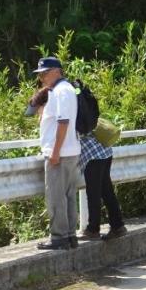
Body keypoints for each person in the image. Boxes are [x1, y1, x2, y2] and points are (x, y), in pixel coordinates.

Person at [33, 56, 81, 250]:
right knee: (68, 195)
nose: (42, 78)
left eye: (44, 73)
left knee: (55, 196)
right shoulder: (64, 89)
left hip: (60, 153)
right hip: (70, 150)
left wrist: (55, 152)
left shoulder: (61, 91)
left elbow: (63, 122)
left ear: (56, 71)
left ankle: (59, 237)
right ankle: (70, 235)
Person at [77, 129, 126, 241]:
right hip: (105, 151)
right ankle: (118, 226)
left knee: (94, 194)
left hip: (93, 155)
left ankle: (93, 230)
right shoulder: (86, 111)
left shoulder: (70, 112)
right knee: (107, 191)